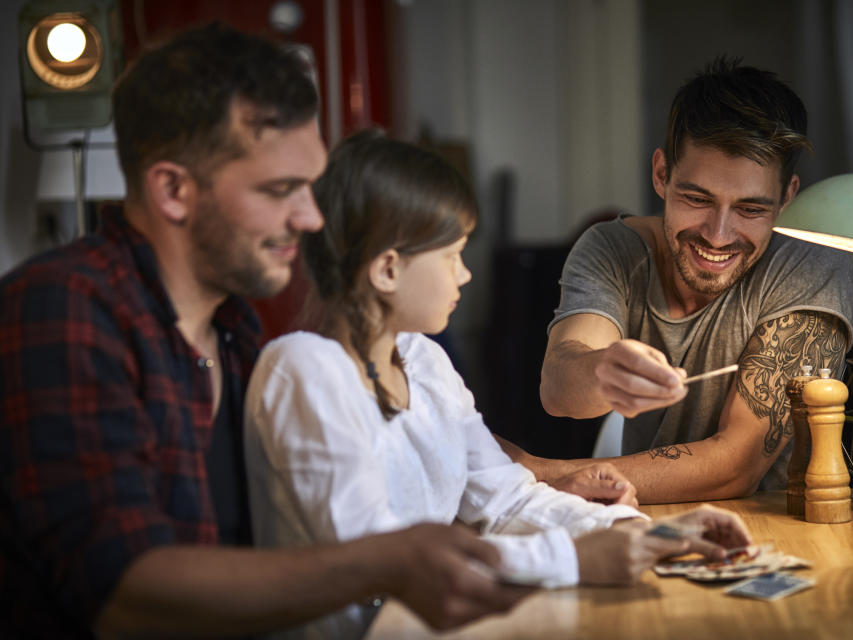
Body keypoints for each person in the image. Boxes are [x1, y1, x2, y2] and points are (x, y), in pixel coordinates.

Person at [0, 24, 529, 638]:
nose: (308, 218)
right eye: (281, 190)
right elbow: (124, 593)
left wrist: (534, 478)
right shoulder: (64, 308)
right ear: (173, 190)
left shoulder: (235, 331)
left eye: (310, 186)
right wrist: (390, 561)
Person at [243, 129, 754, 640]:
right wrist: (575, 558)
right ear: (388, 269)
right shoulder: (304, 370)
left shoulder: (424, 362)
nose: (464, 275)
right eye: (452, 255)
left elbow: (507, 501)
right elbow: (384, 562)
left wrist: (637, 533)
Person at [507, 57, 853, 503]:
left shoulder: (815, 268)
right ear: (661, 174)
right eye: (697, 198)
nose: (717, 235)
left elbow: (735, 468)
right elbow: (559, 392)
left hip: (782, 536)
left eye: (751, 209)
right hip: (647, 529)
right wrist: (603, 370)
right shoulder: (611, 250)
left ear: (787, 196)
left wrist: (540, 474)